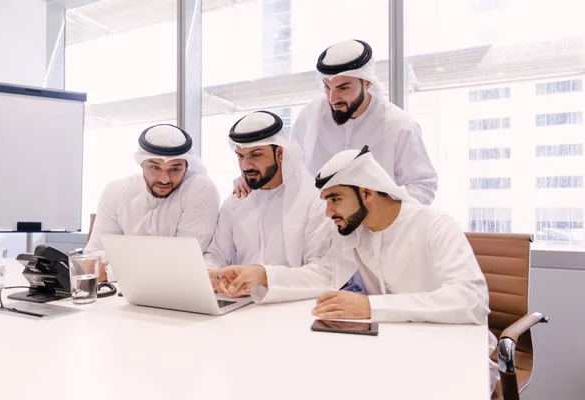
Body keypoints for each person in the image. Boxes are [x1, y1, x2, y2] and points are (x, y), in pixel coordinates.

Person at [211, 145, 499, 394]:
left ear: (368, 192)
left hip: (450, 357)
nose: (328, 213)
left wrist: (369, 307)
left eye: (335, 199)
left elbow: (470, 300)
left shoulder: (434, 225)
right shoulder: (354, 233)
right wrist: (262, 274)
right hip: (393, 355)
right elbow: (324, 274)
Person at [235, 39, 438, 205]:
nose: (333, 99)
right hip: (318, 230)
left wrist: (379, 210)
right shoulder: (311, 115)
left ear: (367, 83)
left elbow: (422, 187)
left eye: (343, 88)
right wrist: (250, 178)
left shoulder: (399, 126)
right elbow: (288, 166)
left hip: (378, 237)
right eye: (327, 87)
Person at [204, 111, 331, 290]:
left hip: (290, 306)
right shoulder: (234, 202)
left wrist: (266, 276)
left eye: (256, 155)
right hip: (238, 304)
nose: (246, 166)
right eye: (240, 156)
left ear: (279, 153)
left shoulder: (313, 201)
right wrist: (212, 275)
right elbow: (215, 254)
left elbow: (324, 273)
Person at [85, 124, 220, 282]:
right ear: (141, 163)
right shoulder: (116, 191)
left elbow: (182, 259)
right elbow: (94, 258)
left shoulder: (199, 190)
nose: (164, 179)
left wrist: (110, 271)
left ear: (187, 166)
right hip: (117, 294)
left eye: (174, 169)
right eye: (154, 167)